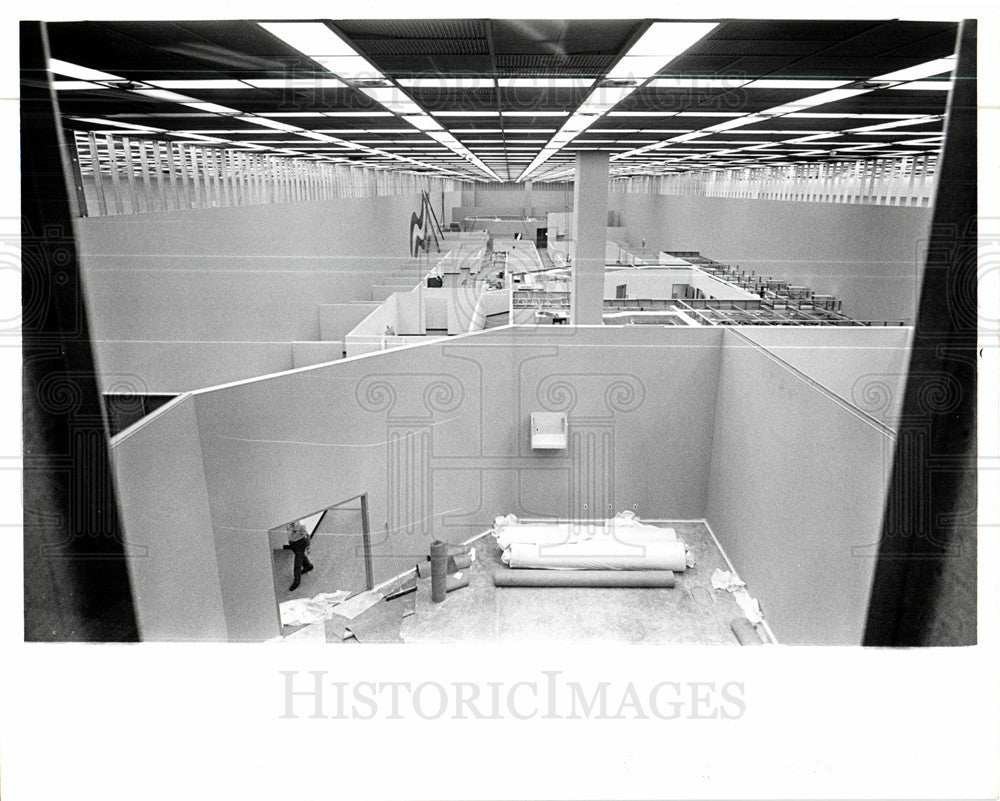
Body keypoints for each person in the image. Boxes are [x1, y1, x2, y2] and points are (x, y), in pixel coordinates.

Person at [283, 520, 313, 592]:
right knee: (300, 556)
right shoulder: (287, 524)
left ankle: (297, 581)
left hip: (301, 543)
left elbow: (307, 535)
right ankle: (308, 566)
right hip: (293, 543)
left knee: (297, 562)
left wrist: (308, 547)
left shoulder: (301, 525)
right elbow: (289, 533)